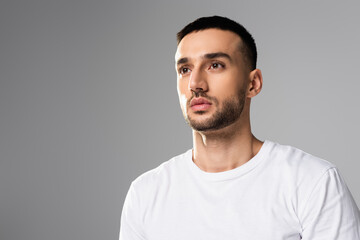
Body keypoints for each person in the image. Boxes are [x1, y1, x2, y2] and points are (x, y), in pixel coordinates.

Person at [119, 16, 360, 240]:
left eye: (215, 65)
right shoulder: (145, 194)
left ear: (252, 83)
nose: (195, 84)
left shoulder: (313, 182)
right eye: (185, 69)